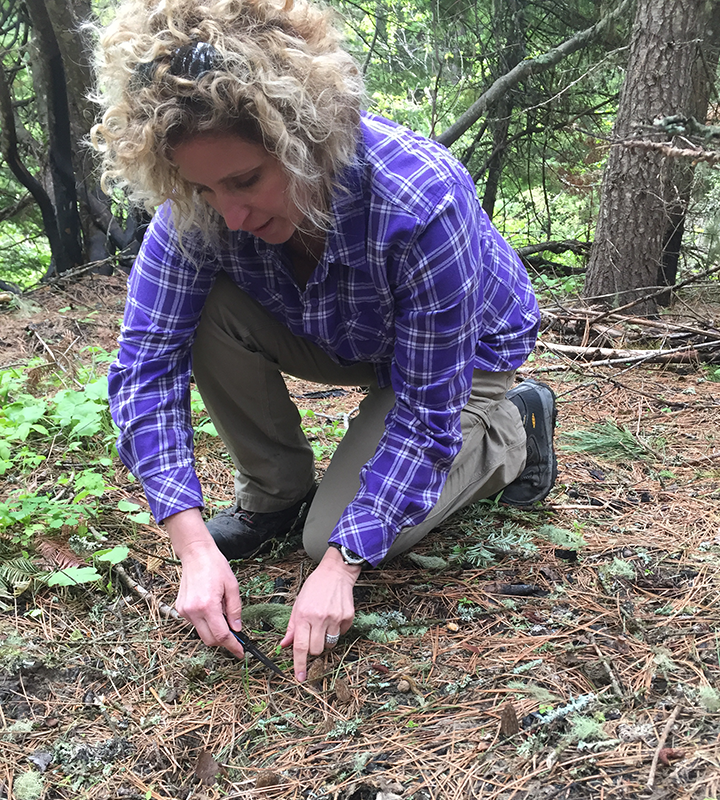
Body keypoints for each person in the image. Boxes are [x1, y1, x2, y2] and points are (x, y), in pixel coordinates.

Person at [92, 0, 556, 683]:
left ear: (305, 138)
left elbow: (427, 413)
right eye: (203, 187)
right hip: (341, 333)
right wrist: (189, 543)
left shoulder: (420, 201)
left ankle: (514, 429)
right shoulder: (205, 211)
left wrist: (343, 562)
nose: (234, 214)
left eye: (248, 180)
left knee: (329, 538)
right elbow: (149, 359)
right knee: (207, 307)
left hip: (461, 356)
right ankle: (275, 493)